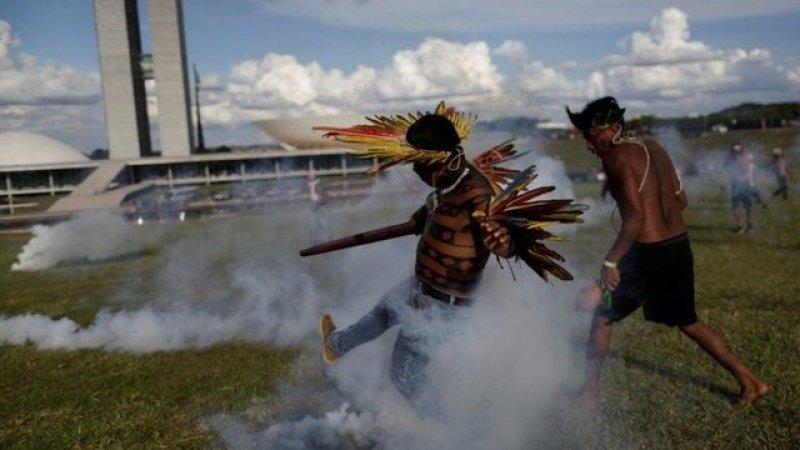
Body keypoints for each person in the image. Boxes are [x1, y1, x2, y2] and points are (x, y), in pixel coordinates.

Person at [566, 97, 769, 408]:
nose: (590, 146)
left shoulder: (617, 159)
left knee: (601, 313)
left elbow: (636, 219)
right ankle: (751, 382)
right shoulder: (655, 149)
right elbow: (681, 199)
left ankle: (589, 395)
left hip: (649, 255)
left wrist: (610, 262)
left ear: (614, 128)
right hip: (677, 247)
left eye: (593, 137)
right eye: (585, 138)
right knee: (688, 321)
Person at [318, 114, 515, 409]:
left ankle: (453, 434)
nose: (417, 172)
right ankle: (336, 345)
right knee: (381, 314)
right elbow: (434, 205)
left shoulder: (479, 195)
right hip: (420, 286)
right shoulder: (449, 180)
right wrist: (422, 217)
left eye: (423, 166)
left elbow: (505, 240)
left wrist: (504, 243)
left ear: (447, 160)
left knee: (405, 376)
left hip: (442, 306)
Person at [725, 144, 754, 232]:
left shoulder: (744, 159)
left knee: (745, 205)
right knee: (737, 205)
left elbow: (748, 171)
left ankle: (746, 223)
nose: (736, 153)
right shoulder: (730, 160)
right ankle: (740, 224)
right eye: (735, 151)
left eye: (738, 151)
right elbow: (727, 171)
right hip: (737, 183)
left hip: (743, 183)